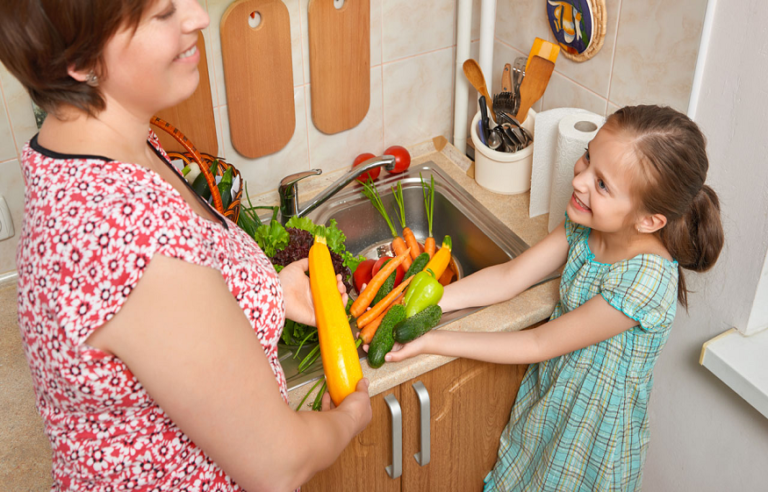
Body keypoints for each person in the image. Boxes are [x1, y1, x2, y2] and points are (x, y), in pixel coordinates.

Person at [0, 0, 371, 490]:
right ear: (83, 61)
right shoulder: (127, 231)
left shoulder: (103, 149)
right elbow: (281, 463)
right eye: (163, 13)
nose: (197, 17)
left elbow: (163, 320)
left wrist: (266, 294)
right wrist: (351, 418)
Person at [383, 105, 724, 491]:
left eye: (602, 185)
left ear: (648, 220)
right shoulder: (586, 225)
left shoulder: (644, 281)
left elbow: (538, 341)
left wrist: (434, 340)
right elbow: (510, 278)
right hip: (551, 406)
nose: (580, 180)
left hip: (592, 440)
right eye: (589, 157)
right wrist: (426, 302)